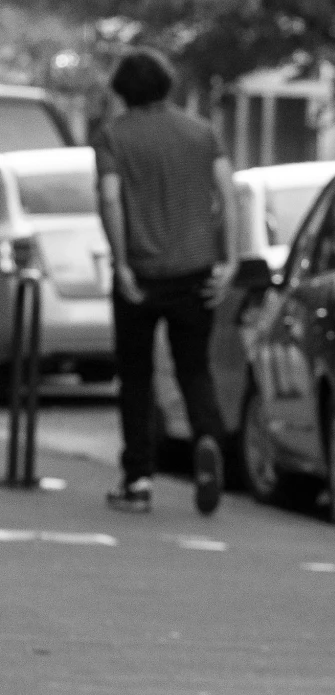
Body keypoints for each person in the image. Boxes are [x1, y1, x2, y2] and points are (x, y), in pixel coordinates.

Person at [92, 48, 235, 516]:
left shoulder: (114, 137)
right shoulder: (201, 133)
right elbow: (227, 194)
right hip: (195, 271)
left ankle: (137, 479)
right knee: (194, 367)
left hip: (142, 275)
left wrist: (122, 263)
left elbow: (111, 200)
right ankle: (209, 440)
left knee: (135, 377)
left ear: (122, 91)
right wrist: (228, 260)